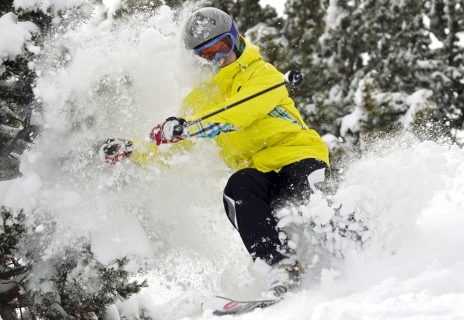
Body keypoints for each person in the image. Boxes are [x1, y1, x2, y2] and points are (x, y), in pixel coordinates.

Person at [101, 7, 330, 299]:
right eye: (208, 55)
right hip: (262, 172)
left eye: (221, 47)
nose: (219, 58)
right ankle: (279, 264)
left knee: (307, 195)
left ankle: (355, 237)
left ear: (234, 38)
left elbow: (239, 112)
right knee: (237, 188)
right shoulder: (202, 99)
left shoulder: (263, 75)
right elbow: (175, 148)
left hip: (299, 156)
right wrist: (134, 150)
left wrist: (190, 128)